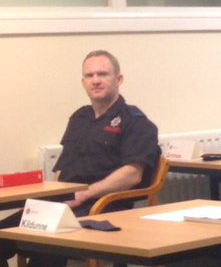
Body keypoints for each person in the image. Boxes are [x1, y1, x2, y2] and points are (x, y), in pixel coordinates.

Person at [0, 51, 161, 267]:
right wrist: (51, 198)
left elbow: (132, 175)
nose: (95, 80)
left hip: (104, 207)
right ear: (83, 82)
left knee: (47, 241)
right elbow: (62, 170)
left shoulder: (135, 121)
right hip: (63, 204)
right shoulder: (79, 118)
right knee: (4, 233)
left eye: (102, 74)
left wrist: (84, 195)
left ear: (118, 80)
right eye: (89, 75)